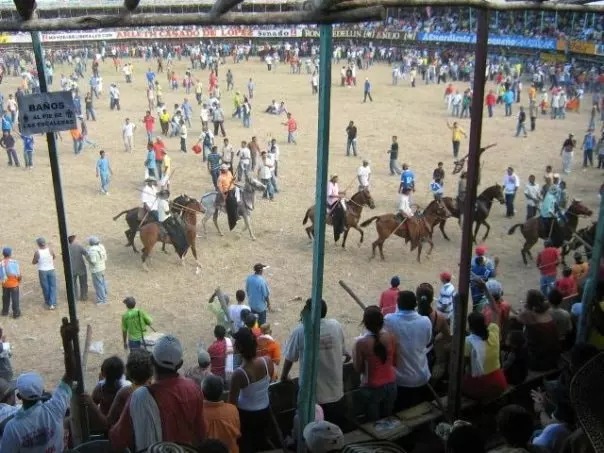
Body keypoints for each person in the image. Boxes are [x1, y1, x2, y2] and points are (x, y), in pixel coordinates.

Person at [110, 335, 206, 451]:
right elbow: (201, 433)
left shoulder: (139, 397)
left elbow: (117, 438)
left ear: (151, 360)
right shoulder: (194, 389)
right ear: (180, 364)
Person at [0, 321, 77, 452]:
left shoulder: (12, 428)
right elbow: (70, 374)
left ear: (19, 396)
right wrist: (66, 341)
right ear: (42, 392)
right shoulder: (55, 408)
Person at [281, 299, 350, 428]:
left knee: (313, 438)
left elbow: (290, 358)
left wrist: (284, 376)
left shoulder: (301, 331)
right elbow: (345, 352)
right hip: (336, 394)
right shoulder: (335, 325)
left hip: (314, 402)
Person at [384, 290, 432, 411]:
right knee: (419, 409)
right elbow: (427, 341)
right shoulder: (425, 321)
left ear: (398, 304)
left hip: (400, 378)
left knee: (400, 410)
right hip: (422, 375)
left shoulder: (389, 320)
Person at [461, 277, 508, 401]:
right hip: (499, 382)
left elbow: (465, 367)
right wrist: (485, 288)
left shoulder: (468, 342)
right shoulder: (494, 331)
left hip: (480, 386)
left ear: (470, 327)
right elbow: (495, 310)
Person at [228, 328, 273, 453]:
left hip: (246, 416)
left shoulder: (239, 374)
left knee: (246, 447)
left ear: (239, 347)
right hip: (265, 410)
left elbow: (232, 403)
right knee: (260, 444)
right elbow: (268, 381)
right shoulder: (267, 361)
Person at [353, 305, 397, 421]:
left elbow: (358, 368)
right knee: (388, 420)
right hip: (391, 384)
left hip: (372, 387)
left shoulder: (361, 343)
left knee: (374, 423)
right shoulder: (390, 337)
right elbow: (394, 361)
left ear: (365, 323)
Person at [514, 289, 560, 371]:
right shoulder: (548, 311)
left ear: (529, 302)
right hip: (553, 358)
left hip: (538, 362)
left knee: (515, 334)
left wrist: (525, 308)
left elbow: (518, 318)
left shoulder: (529, 315)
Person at [202, 375, 240, 453]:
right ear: (222, 392)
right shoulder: (233, 409)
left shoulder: (198, 413)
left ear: (202, 393)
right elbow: (237, 433)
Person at [32, 237, 57, 310]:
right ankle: (53, 303)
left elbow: (33, 262)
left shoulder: (37, 252)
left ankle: (48, 301)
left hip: (42, 271)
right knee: (53, 286)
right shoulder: (50, 250)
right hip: (51, 269)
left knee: (45, 287)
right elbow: (54, 257)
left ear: (38, 244)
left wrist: (39, 261)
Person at [86, 236, 108, 305]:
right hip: (102, 267)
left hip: (96, 269)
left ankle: (102, 300)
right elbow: (105, 258)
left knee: (98, 284)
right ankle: (105, 293)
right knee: (103, 281)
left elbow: (93, 261)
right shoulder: (101, 247)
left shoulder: (92, 250)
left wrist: (87, 258)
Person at [0, 247, 21, 318]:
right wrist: (19, 280)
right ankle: (16, 313)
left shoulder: (1, 262)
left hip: (5, 283)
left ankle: (5, 312)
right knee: (15, 299)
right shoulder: (14, 262)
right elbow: (18, 274)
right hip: (14, 283)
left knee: (5, 298)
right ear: (10, 254)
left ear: (3, 254)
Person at [68, 234, 88, 302]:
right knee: (83, 283)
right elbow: (86, 253)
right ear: (74, 239)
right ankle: (84, 296)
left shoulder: (67, 247)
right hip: (81, 268)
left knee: (73, 284)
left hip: (71, 269)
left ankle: (74, 297)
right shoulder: (79, 246)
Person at [326, 174, 346, 241]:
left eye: (337, 178)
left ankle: (342, 226)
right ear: (333, 179)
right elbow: (329, 194)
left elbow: (336, 192)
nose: (337, 179)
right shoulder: (330, 185)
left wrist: (341, 192)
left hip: (336, 200)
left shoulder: (336, 184)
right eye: (336, 178)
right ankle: (341, 226)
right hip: (331, 201)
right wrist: (338, 196)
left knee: (345, 208)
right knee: (341, 212)